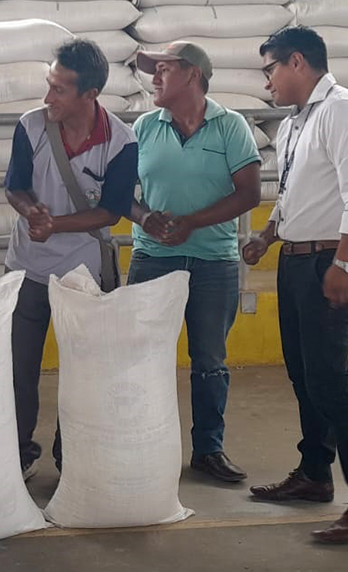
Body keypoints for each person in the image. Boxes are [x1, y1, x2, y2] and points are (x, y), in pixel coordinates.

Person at [242, 26, 348, 544]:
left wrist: (346, 263)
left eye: (270, 70)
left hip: (333, 258)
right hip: (297, 259)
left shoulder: (343, 111)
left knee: (330, 379)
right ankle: (314, 474)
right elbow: (292, 193)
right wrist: (267, 234)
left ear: (298, 62)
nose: (267, 83)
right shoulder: (296, 124)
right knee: (305, 375)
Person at [3, 38, 138, 479]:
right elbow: (15, 186)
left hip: (84, 276)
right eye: (49, 85)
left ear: (90, 95)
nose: (48, 98)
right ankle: (19, 452)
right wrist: (30, 211)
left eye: (60, 89)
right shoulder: (31, 127)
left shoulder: (120, 141)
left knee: (83, 373)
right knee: (18, 371)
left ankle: (70, 455)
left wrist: (54, 224)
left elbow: (112, 211)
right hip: (27, 270)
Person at [129, 41, 261, 484]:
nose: (154, 79)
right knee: (143, 356)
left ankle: (209, 449)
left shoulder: (231, 127)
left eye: (162, 69)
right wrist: (146, 218)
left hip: (212, 263)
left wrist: (191, 223)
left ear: (192, 75)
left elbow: (248, 193)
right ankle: (142, 444)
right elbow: (120, 195)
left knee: (209, 361)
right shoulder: (144, 127)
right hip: (152, 259)